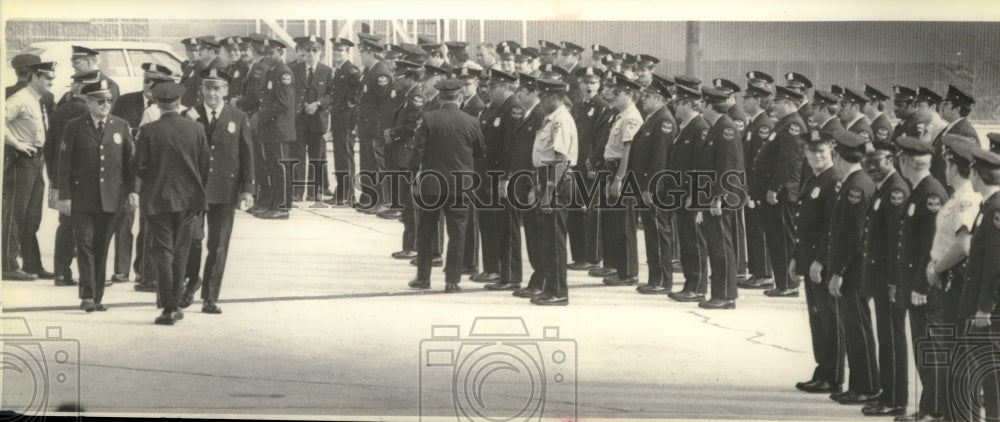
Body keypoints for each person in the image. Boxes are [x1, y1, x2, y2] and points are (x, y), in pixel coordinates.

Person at [133, 81, 211, 326]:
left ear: (157, 103)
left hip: (158, 200)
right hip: (189, 200)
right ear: (179, 103)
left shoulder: (148, 131)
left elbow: (139, 167)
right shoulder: (196, 129)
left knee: (163, 252)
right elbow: (205, 166)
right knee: (181, 252)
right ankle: (175, 304)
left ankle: (168, 307)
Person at [178, 68, 254, 314]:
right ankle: (192, 280)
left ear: (226, 91)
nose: (212, 93)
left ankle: (210, 297)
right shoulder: (189, 115)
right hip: (195, 190)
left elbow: (246, 155)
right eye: (208, 88)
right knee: (192, 240)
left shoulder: (238, 116)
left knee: (218, 244)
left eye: (217, 88)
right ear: (201, 90)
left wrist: (247, 189)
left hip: (225, 189)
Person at [56, 80, 136, 312]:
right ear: (88, 102)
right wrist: (65, 196)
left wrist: (132, 191)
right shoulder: (74, 126)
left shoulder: (120, 125)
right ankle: (87, 295)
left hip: (112, 198)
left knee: (101, 247)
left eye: (109, 101)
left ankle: (97, 296)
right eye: (100, 101)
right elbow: (64, 164)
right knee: (85, 244)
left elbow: (129, 163)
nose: (105, 105)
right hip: (82, 198)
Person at [408, 79, 485, 292]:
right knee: (458, 232)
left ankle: (423, 277)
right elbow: (480, 152)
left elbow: (417, 151)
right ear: (460, 97)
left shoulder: (428, 118)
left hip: (432, 186)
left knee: (426, 231)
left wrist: (413, 175)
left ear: (440, 98)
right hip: (461, 186)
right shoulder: (472, 122)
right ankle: (453, 280)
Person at [894, 136, 950, 421]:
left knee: (931, 349)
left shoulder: (931, 194)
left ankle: (935, 409)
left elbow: (933, 246)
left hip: (924, 287)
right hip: (915, 283)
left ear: (905, 162)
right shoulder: (920, 190)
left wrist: (920, 285)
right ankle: (930, 406)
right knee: (923, 348)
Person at [824, 129, 880, 405]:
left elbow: (851, 235)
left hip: (854, 269)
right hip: (856, 267)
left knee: (858, 329)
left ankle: (867, 386)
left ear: (838, 155)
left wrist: (837, 272)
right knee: (856, 327)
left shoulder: (856, 187)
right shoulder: (858, 181)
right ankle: (860, 383)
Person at [109, 63, 174, 285]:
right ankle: (121, 270)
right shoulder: (126, 101)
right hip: (126, 168)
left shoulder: (171, 108)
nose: (147, 85)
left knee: (149, 223)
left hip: (153, 172)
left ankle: (143, 270)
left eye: (153, 82)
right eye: (146, 79)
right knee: (123, 220)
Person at [858, 140, 910, 417]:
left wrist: (893, 281)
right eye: (868, 161)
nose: (872, 167)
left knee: (892, 339)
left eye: (878, 161)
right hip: (880, 277)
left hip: (889, 280)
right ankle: (887, 392)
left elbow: (897, 243)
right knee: (886, 337)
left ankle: (895, 398)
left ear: (891, 159)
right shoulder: (883, 188)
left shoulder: (895, 191)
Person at [789, 129, 843, 394]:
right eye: (811, 152)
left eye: (821, 151)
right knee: (817, 317)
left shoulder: (834, 181)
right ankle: (822, 370)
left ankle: (831, 375)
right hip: (809, 259)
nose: (816, 156)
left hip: (822, 262)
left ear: (831, 150)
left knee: (829, 319)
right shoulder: (814, 178)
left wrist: (820, 260)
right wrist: (796, 258)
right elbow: (805, 224)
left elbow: (832, 228)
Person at [955, 146, 1000, 422]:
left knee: (992, 376)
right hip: (982, 306)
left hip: (990, 312)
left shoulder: (995, 209)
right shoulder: (989, 206)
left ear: (978, 174)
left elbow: (996, 264)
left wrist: (985, 306)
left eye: (971, 170)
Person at [46, 70, 102, 287]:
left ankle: (61, 271)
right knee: (86, 229)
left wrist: (55, 177)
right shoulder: (87, 115)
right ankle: (89, 276)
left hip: (62, 177)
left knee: (65, 225)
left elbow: (50, 147)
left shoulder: (60, 111)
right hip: (86, 180)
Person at [3, 61, 56, 281]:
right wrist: (16, 143)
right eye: (47, 78)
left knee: (32, 215)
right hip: (22, 160)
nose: (51, 82)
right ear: (34, 77)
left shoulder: (38, 100)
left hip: (36, 160)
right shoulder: (20, 99)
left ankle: (32, 263)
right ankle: (7, 264)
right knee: (15, 213)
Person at [694, 87, 745, 309]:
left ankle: (725, 295)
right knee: (716, 245)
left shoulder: (726, 128)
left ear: (709, 105)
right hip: (713, 196)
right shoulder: (718, 127)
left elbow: (728, 165)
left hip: (720, 198)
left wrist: (720, 197)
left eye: (703, 103)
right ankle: (720, 293)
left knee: (722, 246)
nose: (700, 107)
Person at [528, 78, 578, 306]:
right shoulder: (552, 119)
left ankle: (558, 291)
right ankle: (551, 288)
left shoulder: (561, 120)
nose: (540, 102)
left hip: (556, 180)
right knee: (547, 238)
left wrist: (548, 191)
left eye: (544, 97)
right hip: (547, 178)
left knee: (555, 239)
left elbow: (560, 159)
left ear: (554, 97)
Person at [755, 86, 807, 298]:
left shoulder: (793, 124)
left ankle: (788, 284)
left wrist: (774, 189)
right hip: (776, 192)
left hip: (783, 193)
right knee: (776, 238)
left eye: (777, 102)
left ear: (788, 103)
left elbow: (788, 161)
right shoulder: (785, 123)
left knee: (783, 239)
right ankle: (783, 282)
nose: (773, 105)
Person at [665, 83, 711, 303]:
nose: (674, 107)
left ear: (687, 104)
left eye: (677, 103)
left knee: (694, 241)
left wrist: (695, 194)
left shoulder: (700, 127)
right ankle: (690, 283)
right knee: (686, 240)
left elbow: (701, 165)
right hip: (681, 193)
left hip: (691, 194)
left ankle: (698, 286)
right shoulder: (686, 126)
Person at [632, 77, 677, 295]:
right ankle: (654, 278)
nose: (643, 99)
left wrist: (652, 187)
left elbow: (660, 158)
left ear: (659, 98)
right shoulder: (653, 118)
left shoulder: (664, 121)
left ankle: (662, 280)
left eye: (648, 96)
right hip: (646, 186)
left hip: (656, 189)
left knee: (659, 233)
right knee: (651, 233)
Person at [477, 69, 521, 288]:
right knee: (496, 226)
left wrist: (506, 177)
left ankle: (511, 276)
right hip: (490, 175)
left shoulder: (512, 109)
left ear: (504, 86)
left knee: (507, 227)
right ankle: (499, 271)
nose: (488, 90)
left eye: (493, 87)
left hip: (502, 177)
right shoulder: (497, 109)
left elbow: (511, 148)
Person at [567, 66, 612, 273]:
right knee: (575, 211)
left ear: (599, 84)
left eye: (593, 82)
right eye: (585, 82)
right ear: (579, 83)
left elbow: (602, 139)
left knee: (591, 213)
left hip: (590, 168)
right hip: (575, 165)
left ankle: (592, 257)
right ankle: (579, 256)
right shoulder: (577, 106)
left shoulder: (603, 107)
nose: (588, 86)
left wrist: (593, 162)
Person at [600, 73, 643, 287]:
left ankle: (628, 272)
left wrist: (619, 178)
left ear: (629, 94)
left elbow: (628, 150)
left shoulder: (631, 117)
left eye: (618, 93)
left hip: (622, 171)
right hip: (614, 170)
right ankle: (621, 268)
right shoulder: (621, 115)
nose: (613, 96)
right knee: (617, 224)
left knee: (625, 225)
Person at [384, 60, 427, 261]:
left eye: (399, 77)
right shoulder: (407, 96)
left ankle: (413, 245)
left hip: (407, 154)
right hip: (401, 152)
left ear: (410, 78)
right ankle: (409, 244)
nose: (395, 79)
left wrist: (393, 133)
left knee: (409, 202)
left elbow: (412, 126)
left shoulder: (416, 97)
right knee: (405, 202)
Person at [252, 39, 296, 220]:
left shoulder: (283, 73)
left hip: (279, 128)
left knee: (279, 168)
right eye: (266, 53)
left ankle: (282, 206)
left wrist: (260, 116)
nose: (269, 57)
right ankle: (273, 203)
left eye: (272, 53)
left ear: (281, 53)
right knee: (273, 167)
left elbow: (283, 104)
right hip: (271, 128)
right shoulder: (272, 71)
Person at [738, 82, 776, 290]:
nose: (743, 101)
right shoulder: (753, 123)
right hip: (750, 187)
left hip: (757, 188)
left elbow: (760, 162)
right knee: (752, 229)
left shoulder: (763, 125)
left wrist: (754, 189)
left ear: (758, 100)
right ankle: (756, 271)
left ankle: (764, 273)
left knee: (759, 230)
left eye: (747, 98)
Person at [290, 35, 334, 202]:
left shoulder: (327, 71)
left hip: (318, 121)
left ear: (320, 53)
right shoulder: (294, 69)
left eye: (314, 50)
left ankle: (313, 191)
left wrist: (317, 104)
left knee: (316, 157)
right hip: (299, 120)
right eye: (307, 50)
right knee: (298, 157)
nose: (310, 54)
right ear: (303, 51)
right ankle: (297, 191)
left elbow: (331, 95)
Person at [356, 38, 394, 215]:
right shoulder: (369, 71)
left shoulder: (381, 73)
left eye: (362, 53)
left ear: (370, 53)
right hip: (366, 127)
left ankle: (381, 200)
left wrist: (380, 129)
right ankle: (369, 198)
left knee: (377, 165)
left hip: (375, 128)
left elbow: (383, 105)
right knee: (367, 164)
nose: (361, 56)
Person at [323, 37, 362, 208]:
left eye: (341, 50)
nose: (337, 53)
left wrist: (350, 111)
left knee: (345, 157)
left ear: (347, 52)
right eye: (335, 50)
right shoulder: (339, 70)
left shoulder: (351, 70)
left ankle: (348, 195)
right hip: (339, 119)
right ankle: (341, 192)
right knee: (340, 157)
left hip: (346, 120)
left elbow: (357, 93)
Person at [455, 66, 486, 277]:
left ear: (475, 83)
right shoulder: (463, 105)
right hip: (462, 165)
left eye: (468, 84)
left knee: (471, 216)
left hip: (472, 166)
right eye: (462, 84)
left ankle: (471, 261)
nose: (465, 88)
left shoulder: (477, 106)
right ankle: (465, 259)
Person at [930, 85, 980, 186]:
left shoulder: (965, 132)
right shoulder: (950, 128)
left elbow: (967, 170)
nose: (941, 106)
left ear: (957, 108)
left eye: (946, 103)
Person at [181, 37, 224, 108]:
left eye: (200, 50)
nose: (197, 53)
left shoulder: (211, 68)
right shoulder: (187, 65)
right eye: (190, 50)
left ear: (211, 52)